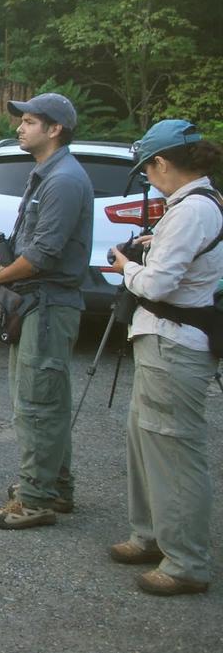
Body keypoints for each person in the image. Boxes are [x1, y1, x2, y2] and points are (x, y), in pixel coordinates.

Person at [105, 120, 223, 596]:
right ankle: (152, 535)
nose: (148, 178)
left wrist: (127, 265)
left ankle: (187, 561)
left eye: (147, 169)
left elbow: (157, 285)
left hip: (173, 342)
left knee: (174, 450)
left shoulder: (191, 210)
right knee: (146, 440)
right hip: (165, 340)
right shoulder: (201, 204)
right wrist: (157, 248)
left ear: (162, 163)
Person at [0, 93, 93, 529]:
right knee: (46, 399)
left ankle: (35, 498)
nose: (20, 128)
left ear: (55, 129)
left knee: (37, 403)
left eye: (29, 121)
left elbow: (43, 255)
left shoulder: (63, 180)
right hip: (35, 302)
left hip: (48, 303)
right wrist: (2, 280)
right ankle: (54, 485)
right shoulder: (45, 174)